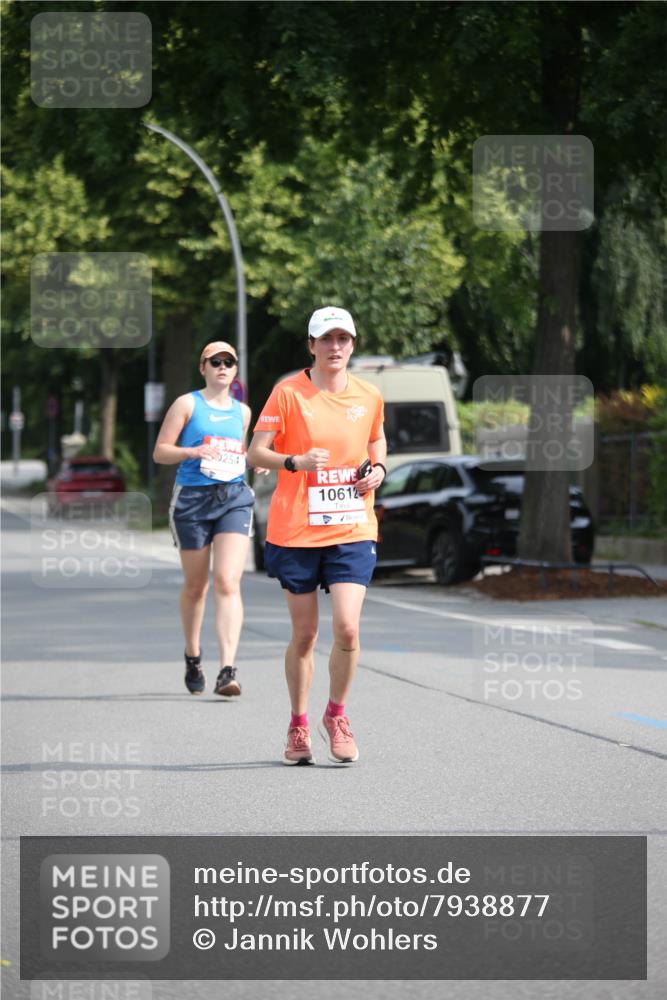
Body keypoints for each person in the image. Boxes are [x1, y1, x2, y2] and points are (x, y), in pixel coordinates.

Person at [247, 307, 387, 766]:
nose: (335, 347)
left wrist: (379, 470)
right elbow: (256, 453)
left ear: (352, 344)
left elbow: (376, 441)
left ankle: (337, 715)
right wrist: (295, 462)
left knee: (347, 627)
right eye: (325, 339)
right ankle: (298, 724)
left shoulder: (369, 395)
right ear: (311, 345)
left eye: (343, 339)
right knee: (305, 635)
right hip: (297, 528)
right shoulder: (288, 393)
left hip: (352, 524)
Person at [153, 341, 255, 698]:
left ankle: (228, 669)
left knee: (228, 581)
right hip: (193, 500)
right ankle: (193, 653)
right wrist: (192, 451)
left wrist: (255, 464)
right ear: (203, 368)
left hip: (233, 499)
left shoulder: (242, 412)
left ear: (235, 369)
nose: (222, 367)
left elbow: (240, 452)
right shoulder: (187, 404)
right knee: (197, 587)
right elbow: (160, 451)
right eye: (215, 361)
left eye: (229, 362)